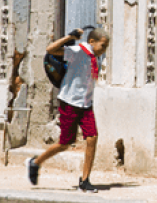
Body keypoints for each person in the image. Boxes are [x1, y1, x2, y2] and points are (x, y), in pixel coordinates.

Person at [26, 27, 110, 192]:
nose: (105, 50)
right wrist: (69, 37)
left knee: (92, 137)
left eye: (107, 47)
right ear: (92, 42)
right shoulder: (77, 51)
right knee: (65, 143)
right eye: (103, 45)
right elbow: (50, 50)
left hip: (86, 104)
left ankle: (85, 180)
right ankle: (35, 162)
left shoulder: (97, 57)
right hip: (70, 102)